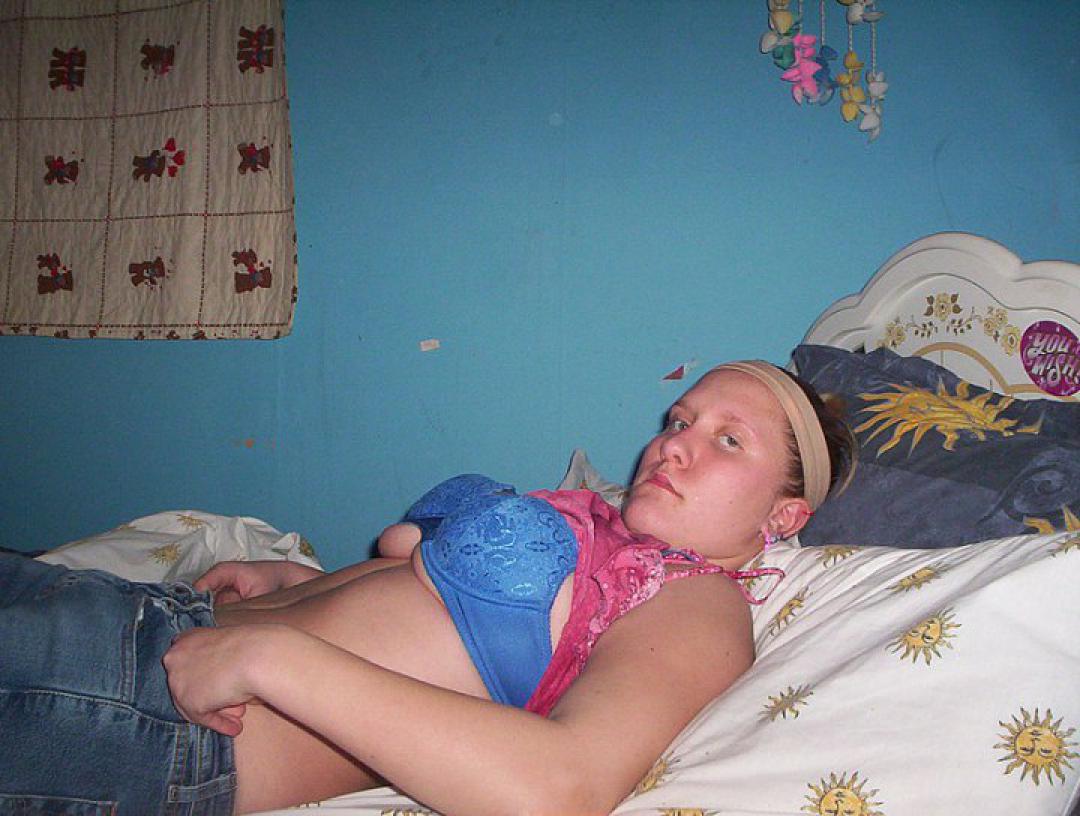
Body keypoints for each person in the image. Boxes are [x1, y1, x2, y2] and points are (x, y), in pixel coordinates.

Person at [0, 361, 855, 816]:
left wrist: (270, 657)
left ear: (785, 516)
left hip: (162, 719)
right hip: (146, 621)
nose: (673, 443)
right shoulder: (601, 527)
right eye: (680, 420)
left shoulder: (698, 601)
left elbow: (562, 788)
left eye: (728, 440)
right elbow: (438, 619)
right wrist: (298, 587)